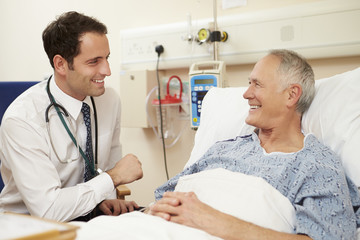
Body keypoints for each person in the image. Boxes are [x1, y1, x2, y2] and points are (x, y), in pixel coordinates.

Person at [148, 49, 360, 240]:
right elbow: (162, 199)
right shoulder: (223, 149)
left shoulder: (318, 165)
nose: (246, 94)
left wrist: (216, 222)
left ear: (292, 94)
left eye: (256, 84)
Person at [0, 11, 143, 222]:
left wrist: (106, 199)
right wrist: (112, 178)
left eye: (107, 58)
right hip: (28, 224)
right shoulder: (22, 120)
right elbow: (48, 210)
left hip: (86, 218)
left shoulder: (109, 101)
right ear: (61, 65)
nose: (107, 70)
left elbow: (105, 170)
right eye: (94, 61)